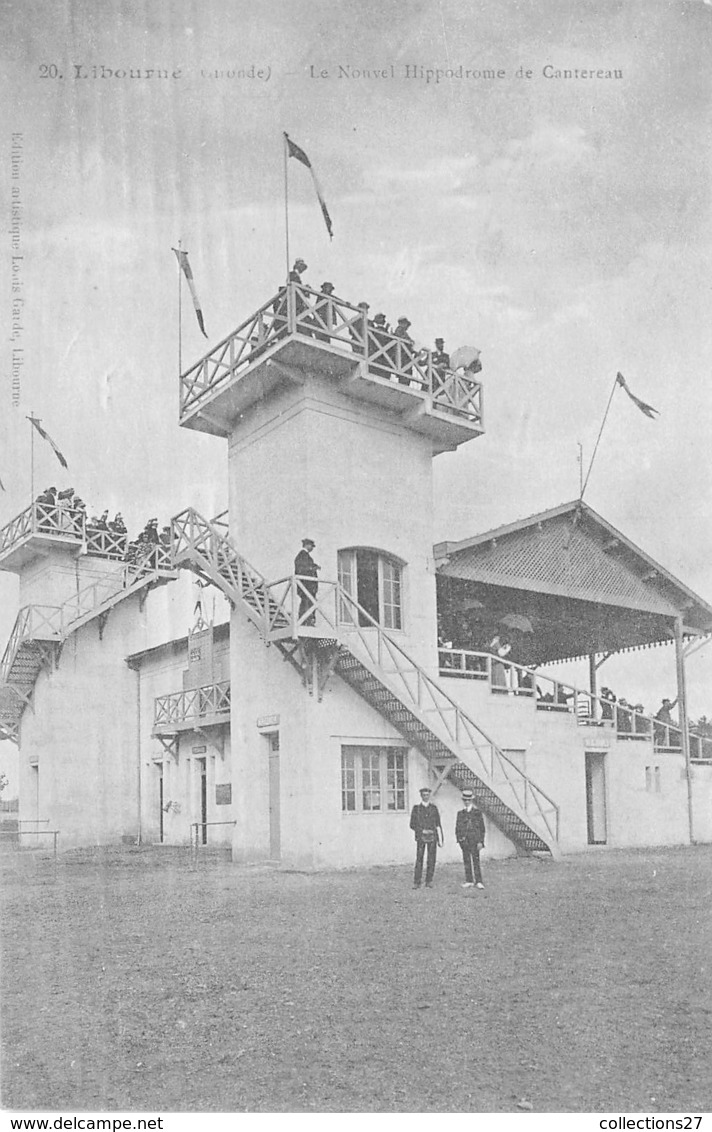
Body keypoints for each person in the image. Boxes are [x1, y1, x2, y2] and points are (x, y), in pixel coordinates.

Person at [409, 786, 443, 889]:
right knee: (419, 858)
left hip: (432, 837)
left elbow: (437, 823)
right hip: (421, 837)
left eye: (427, 795)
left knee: (431, 859)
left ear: (429, 796)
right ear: (421, 796)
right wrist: (421, 830)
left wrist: (434, 832)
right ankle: (417, 881)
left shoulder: (434, 808)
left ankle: (429, 880)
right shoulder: (416, 809)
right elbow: (412, 824)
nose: (426, 797)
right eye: (424, 795)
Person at [455, 788, 486, 888]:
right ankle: (469, 880)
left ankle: (479, 881)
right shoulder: (460, 813)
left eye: (468, 800)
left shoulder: (477, 813)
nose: (467, 802)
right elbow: (457, 828)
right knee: (466, 860)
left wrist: (481, 841)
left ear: (471, 800)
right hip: (464, 840)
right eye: (465, 800)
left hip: (475, 840)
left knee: (476, 860)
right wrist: (459, 839)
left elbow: (482, 828)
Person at [294, 538, 320, 626]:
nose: (312, 548)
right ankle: (306, 622)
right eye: (311, 546)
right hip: (306, 585)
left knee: (308, 603)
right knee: (306, 603)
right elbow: (302, 569)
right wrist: (312, 568)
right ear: (307, 545)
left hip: (308, 586)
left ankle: (308, 621)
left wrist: (314, 566)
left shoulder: (305, 556)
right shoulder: (302, 555)